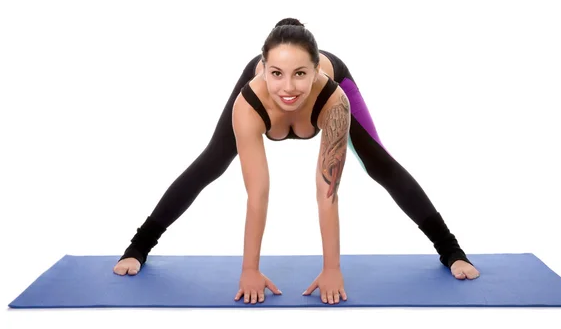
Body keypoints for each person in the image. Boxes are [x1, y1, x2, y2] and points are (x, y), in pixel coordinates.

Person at [113, 18, 480, 305]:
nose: (288, 87)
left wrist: (332, 269)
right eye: (277, 73)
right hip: (259, 100)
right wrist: (250, 270)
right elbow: (258, 194)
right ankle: (138, 247)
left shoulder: (334, 101)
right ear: (263, 68)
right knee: (211, 162)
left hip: (329, 100)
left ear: (317, 68)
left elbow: (327, 193)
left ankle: (451, 251)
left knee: (379, 164)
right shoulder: (249, 104)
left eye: (300, 73)